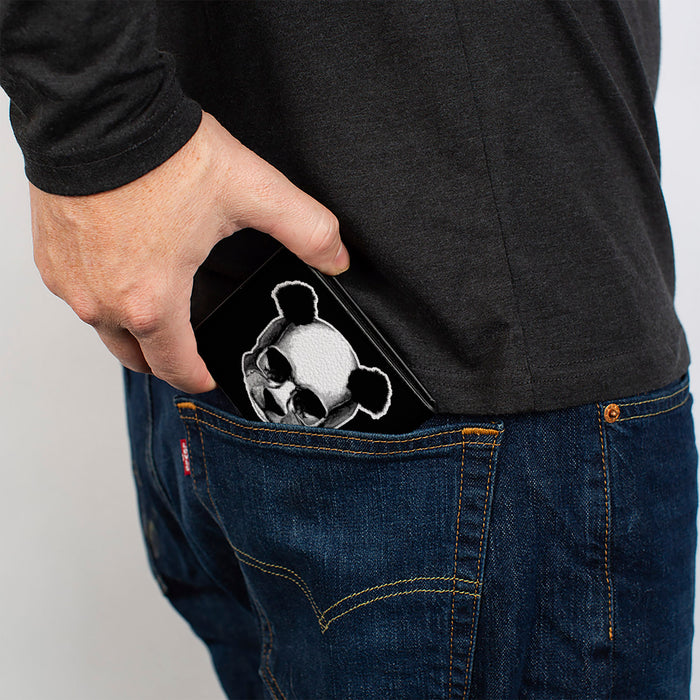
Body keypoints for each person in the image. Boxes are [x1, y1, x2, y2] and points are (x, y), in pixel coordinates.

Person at [0, 1, 696, 698]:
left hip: (244, 330)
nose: (280, 386)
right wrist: (100, 127)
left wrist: (101, 129)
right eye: (282, 369)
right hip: (470, 387)